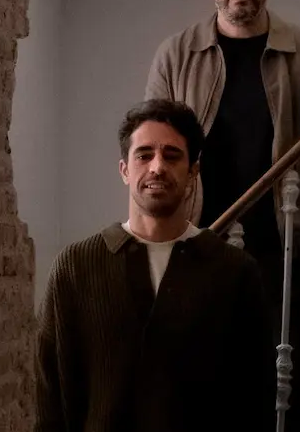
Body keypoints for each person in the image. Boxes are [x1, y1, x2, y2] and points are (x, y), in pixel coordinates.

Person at [144, 0, 300, 432]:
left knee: (289, 381)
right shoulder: (177, 55)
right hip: (196, 245)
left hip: (277, 248)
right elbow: (150, 148)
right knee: (195, 381)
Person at [35, 99, 275, 432]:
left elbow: (255, 401)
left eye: (172, 155)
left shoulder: (235, 272)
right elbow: (51, 400)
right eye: (144, 155)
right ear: (124, 170)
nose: (157, 167)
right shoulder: (74, 268)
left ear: (193, 171)